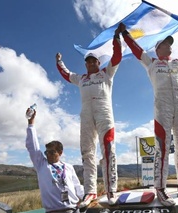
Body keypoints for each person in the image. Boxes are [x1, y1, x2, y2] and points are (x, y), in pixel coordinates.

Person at [117, 23, 178, 206]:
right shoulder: (151, 63)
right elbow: (136, 50)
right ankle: (160, 187)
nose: (169, 46)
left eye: (170, 43)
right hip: (162, 106)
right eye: (165, 43)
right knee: (163, 148)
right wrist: (126, 33)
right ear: (157, 49)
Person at [56, 26, 122, 207]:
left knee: (108, 150)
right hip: (86, 115)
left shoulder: (106, 74)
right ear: (86, 64)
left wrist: (117, 39)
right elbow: (65, 74)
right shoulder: (81, 79)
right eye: (89, 62)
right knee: (87, 153)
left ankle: (111, 191)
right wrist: (59, 62)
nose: (92, 64)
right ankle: (90, 191)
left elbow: (117, 58)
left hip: (104, 113)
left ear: (98, 63)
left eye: (94, 61)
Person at [25, 109, 84, 213]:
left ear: (60, 153)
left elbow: (77, 187)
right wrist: (31, 123)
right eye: (46, 152)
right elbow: (33, 147)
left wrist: (88, 197)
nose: (48, 155)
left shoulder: (69, 167)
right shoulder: (42, 165)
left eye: (52, 152)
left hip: (73, 209)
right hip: (53, 211)